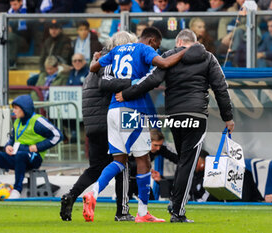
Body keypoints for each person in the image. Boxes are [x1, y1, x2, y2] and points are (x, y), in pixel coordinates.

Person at [116, 29, 234, 222]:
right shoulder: (208, 58)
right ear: (194, 43)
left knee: (182, 161)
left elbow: (151, 80)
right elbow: (221, 88)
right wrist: (227, 117)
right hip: (196, 115)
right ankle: (178, 211)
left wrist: (127, 93)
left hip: (175, 116)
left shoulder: (169, 56)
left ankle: (175, 202)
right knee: (188, 163)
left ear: (178, 42)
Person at [83, 27, 187, 223]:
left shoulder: (115, 51)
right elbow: (164, 63)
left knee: (118, 161)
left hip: (112, 110)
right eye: (156, 46)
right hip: (132, 110)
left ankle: (93, 193)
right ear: (150, 41)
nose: (156, 50)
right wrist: (187, 51)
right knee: (143, 160)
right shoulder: (143, 49)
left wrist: (96, 57)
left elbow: (93, 68)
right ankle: (142, 213)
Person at [60, 31, 137, 222]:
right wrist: (134, 81)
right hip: (107, 123)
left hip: (92, 125)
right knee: (122, 164)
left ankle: (71, 195)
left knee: (95, 168)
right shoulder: (109, 64)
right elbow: (107, 85)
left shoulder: (94, 67)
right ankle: (122, 211)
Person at [0, 95, 63, 201]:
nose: (13, 111)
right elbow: (12, 139)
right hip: (17, 156)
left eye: (16, 108)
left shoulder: (37, 121)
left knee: (20, 155)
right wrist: (8, 146)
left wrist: (38, 147)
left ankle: (17, 190)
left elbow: (58, 135)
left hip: (34, 158)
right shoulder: (17, 122)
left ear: (25, 108)